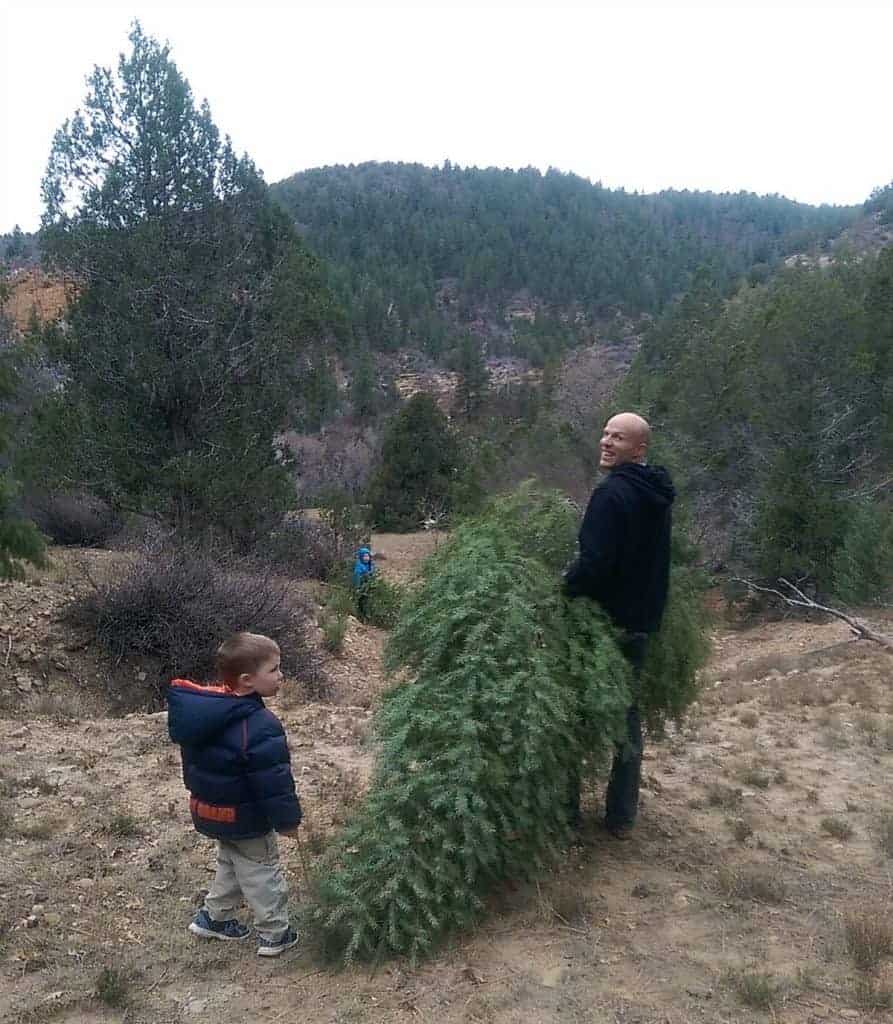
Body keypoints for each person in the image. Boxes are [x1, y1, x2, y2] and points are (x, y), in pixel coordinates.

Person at [563, 412, 675, 839]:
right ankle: (621, 817)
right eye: (605, 433)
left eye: (619, 438)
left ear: (639, 449)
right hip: (640, 625)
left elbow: (593, 564)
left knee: (569, 715)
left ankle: (564, 817)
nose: (606, 442)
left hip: (601, 626)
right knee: (626, 719)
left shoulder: (611, 494)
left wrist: (561, 593)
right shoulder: (656, 493)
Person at [167, 632, 303, 956]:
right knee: (261, 868)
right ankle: (274, 932)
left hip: (210, 810)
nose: (281, 676)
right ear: (247, 680)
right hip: (246, 817)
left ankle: (213, 918)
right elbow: (273, 782)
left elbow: (194, 767)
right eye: (274, 670)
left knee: (231, 861)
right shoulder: (260, 724)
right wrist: (288, 821)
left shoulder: (204, 716)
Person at [353, 545, 375, 618]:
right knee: (362, 601)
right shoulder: (359, 566)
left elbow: (373, 574)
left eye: (367, 556)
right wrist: (358, 587)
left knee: (369, 600)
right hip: (362, 586)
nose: (366, 558)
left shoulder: (370, 565)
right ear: (361, 557)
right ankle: (362, 615)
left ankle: (368, 614)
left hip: (369, 586)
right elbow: (357, 577)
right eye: (364, 556)